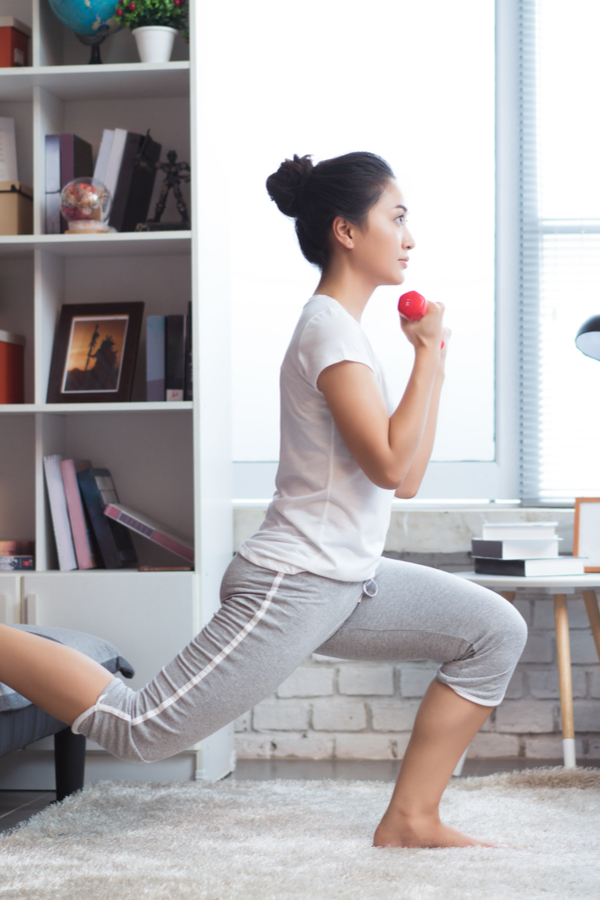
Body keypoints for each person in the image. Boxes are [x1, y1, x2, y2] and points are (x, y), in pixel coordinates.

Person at [0, 151, 527, 850]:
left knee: (493, 631)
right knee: (139, 729)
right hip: (294, 583)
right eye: (396, 218)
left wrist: (433, 360)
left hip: (346, 580)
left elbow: (404, 479)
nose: (409, 237)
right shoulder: (329, 332)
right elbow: (392, 459)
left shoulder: (350, 333)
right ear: (346, 230)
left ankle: (411, 819)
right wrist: (427, 357)